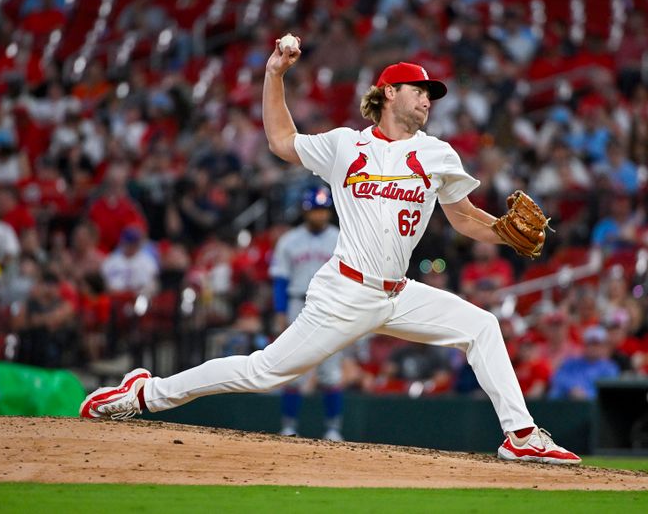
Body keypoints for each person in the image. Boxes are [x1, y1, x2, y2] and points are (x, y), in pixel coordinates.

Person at [80, 35, 581, 465]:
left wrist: (505, 233)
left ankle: (520, 436)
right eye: (419, 90)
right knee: (262, 372)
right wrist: (275, 74)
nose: (428, 99)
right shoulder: (346, 146)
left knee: (481, 326)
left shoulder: (437, 153)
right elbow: (280, 139)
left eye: (431, 93)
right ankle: (144, 393)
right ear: (389, 92)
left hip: (398, 293)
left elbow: (464, 216)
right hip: (345, 292)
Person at [270, 186, 344, 441]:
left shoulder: (341, 237)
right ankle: (288, 426)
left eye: (323, 211)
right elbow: (280, 279)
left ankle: (333, 429)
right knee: (294, 367)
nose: (319, 216)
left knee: (330, 372)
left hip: (332, 305)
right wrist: (280, 311)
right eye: (315, 210)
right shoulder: (289, 240)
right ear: (305, 211)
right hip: (297, 303)